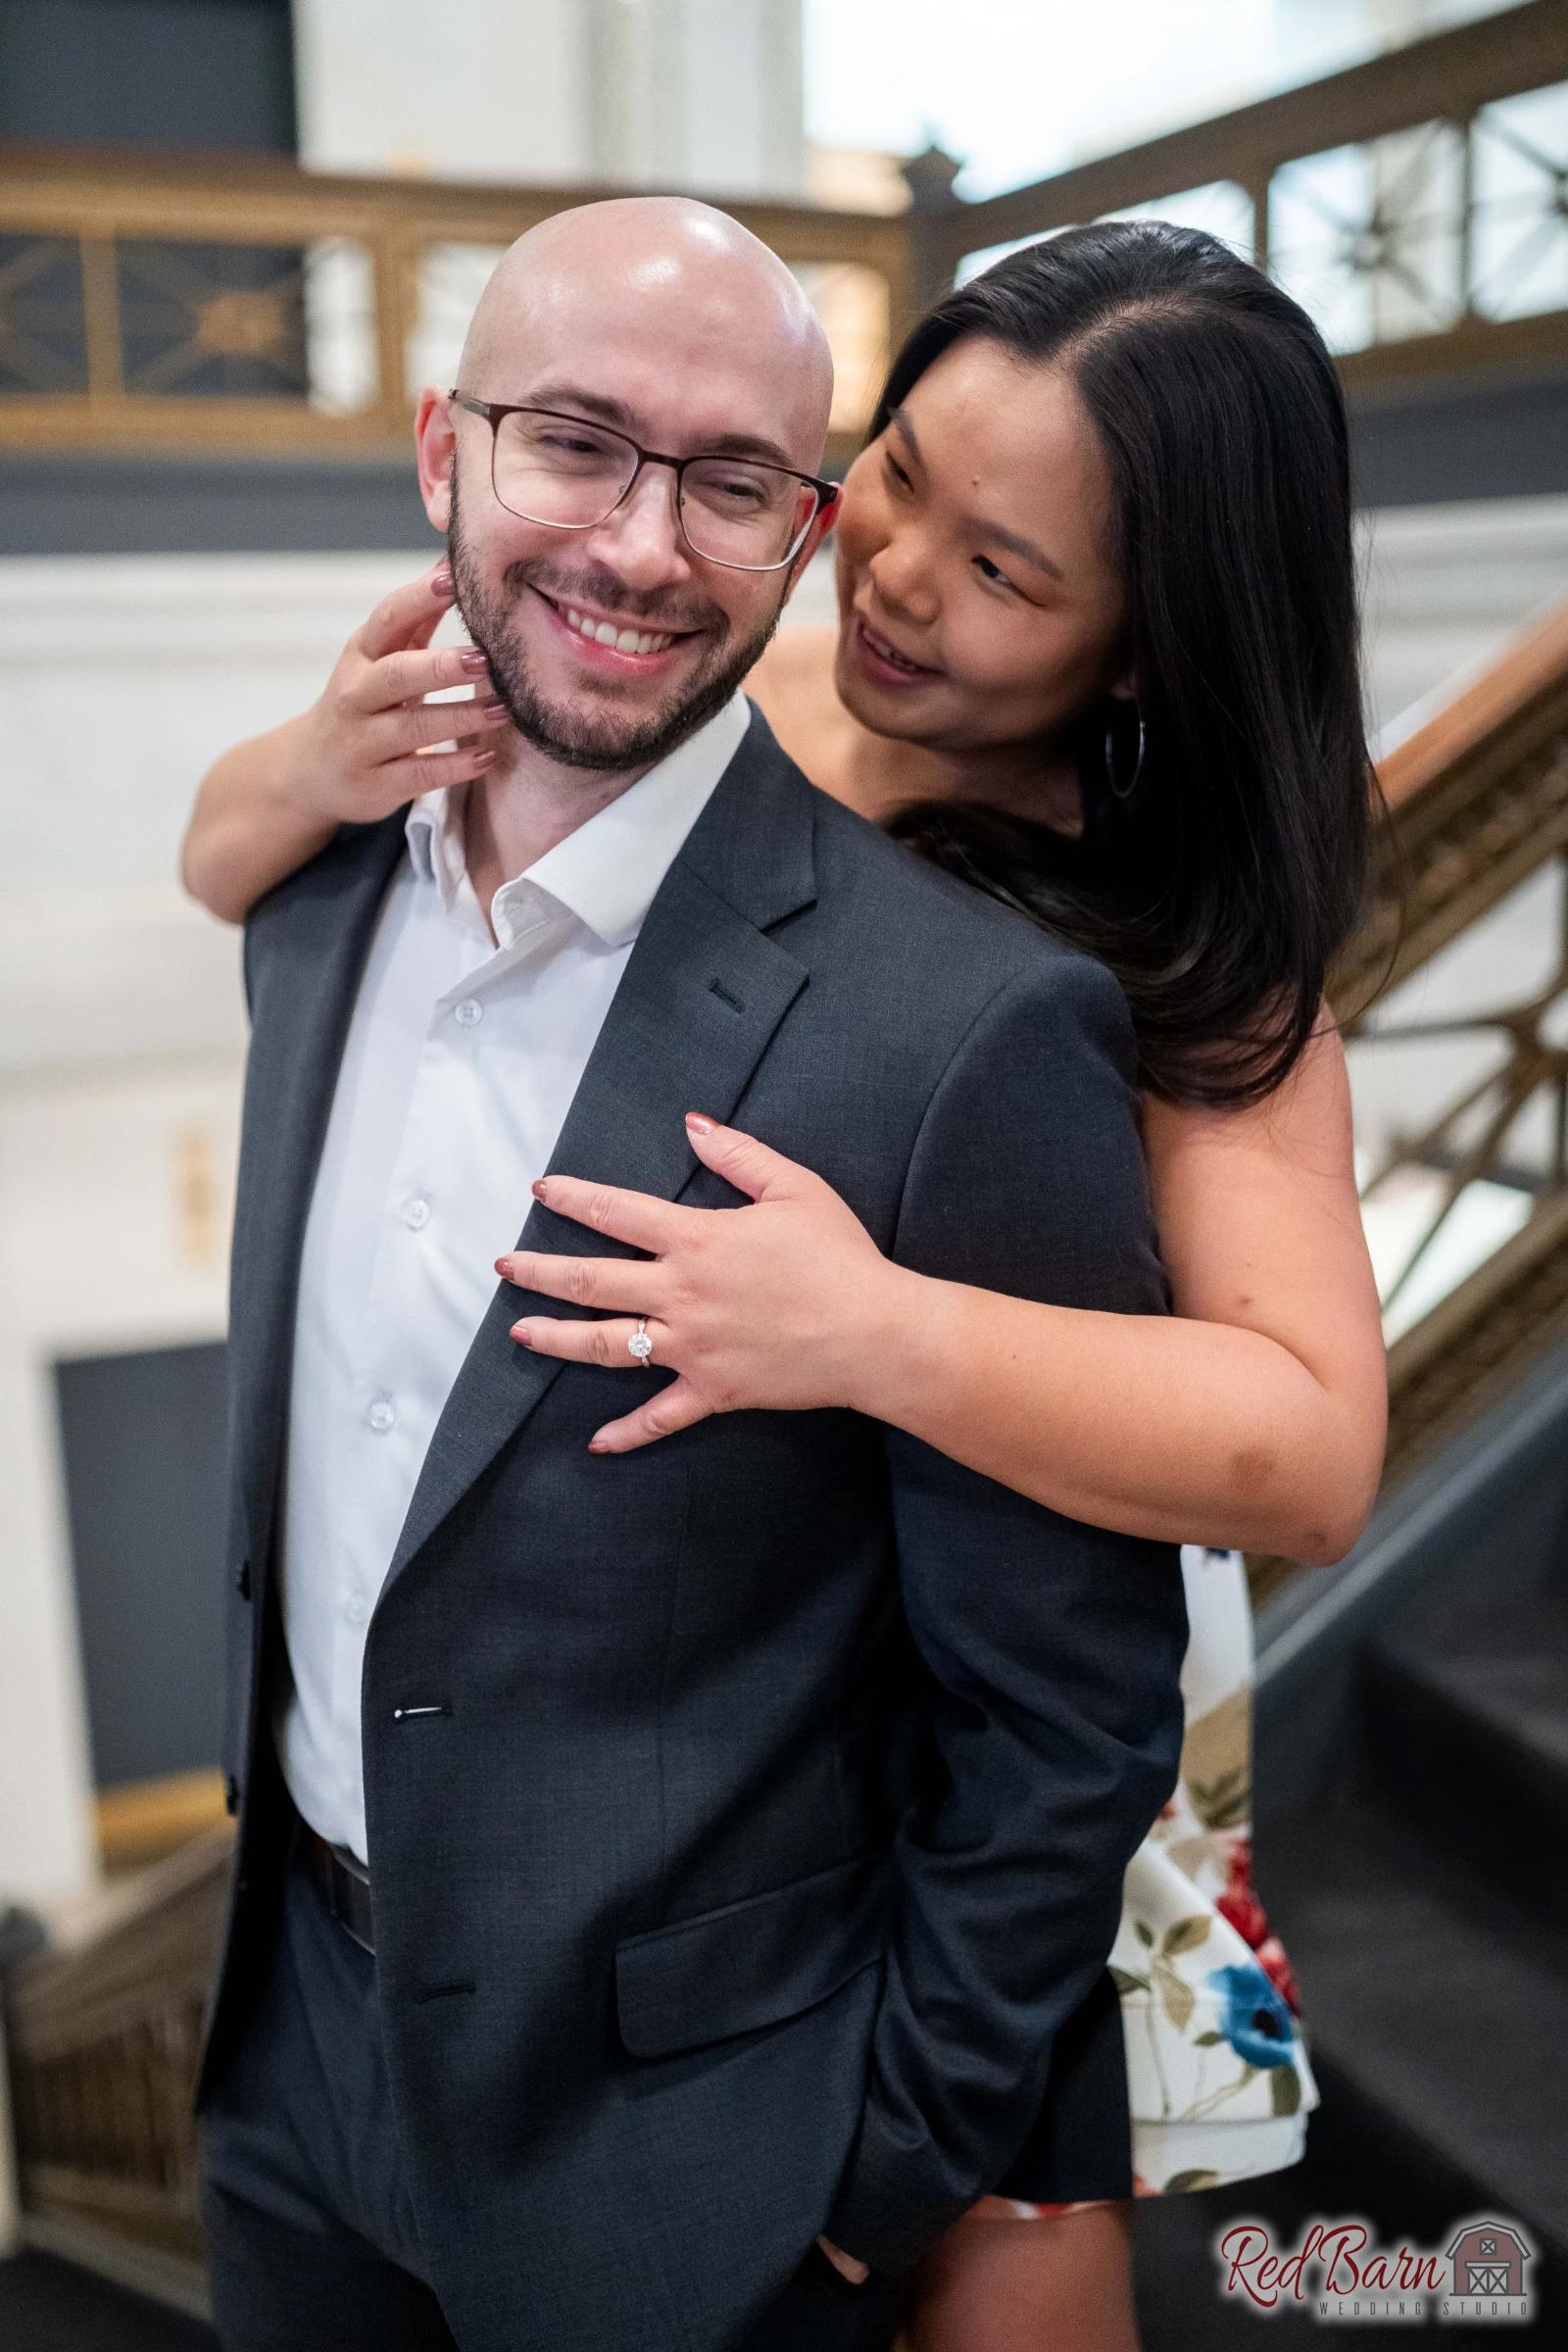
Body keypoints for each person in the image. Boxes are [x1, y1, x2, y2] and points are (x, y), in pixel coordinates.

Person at [184, 219, 1389, 2352]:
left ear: (1139, 645)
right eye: (902, 479)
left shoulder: (1177, 947)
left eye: (1004, 568)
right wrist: (305, 766)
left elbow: (1300, 1463)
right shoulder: (732, 655)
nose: (901, 579)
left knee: (1014, 2255)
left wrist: (872, 1329)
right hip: (731, 1640)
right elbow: (239, 869)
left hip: (1026, 1597)